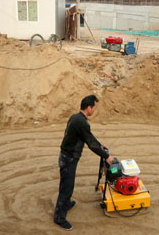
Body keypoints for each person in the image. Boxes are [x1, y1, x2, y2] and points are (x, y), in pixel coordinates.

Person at [53, 95, 114, 231]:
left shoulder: (76, 117)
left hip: (67, 156)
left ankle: (66, 203)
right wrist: (107, 156)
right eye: (94, 108)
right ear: (89, 107)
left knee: (68, 184)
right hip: (68, 159)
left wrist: (100, 145)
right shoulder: (81, 122)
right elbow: (90, 143)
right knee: (66, 187)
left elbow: (89, 137)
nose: (94, 111)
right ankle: (59, 217)